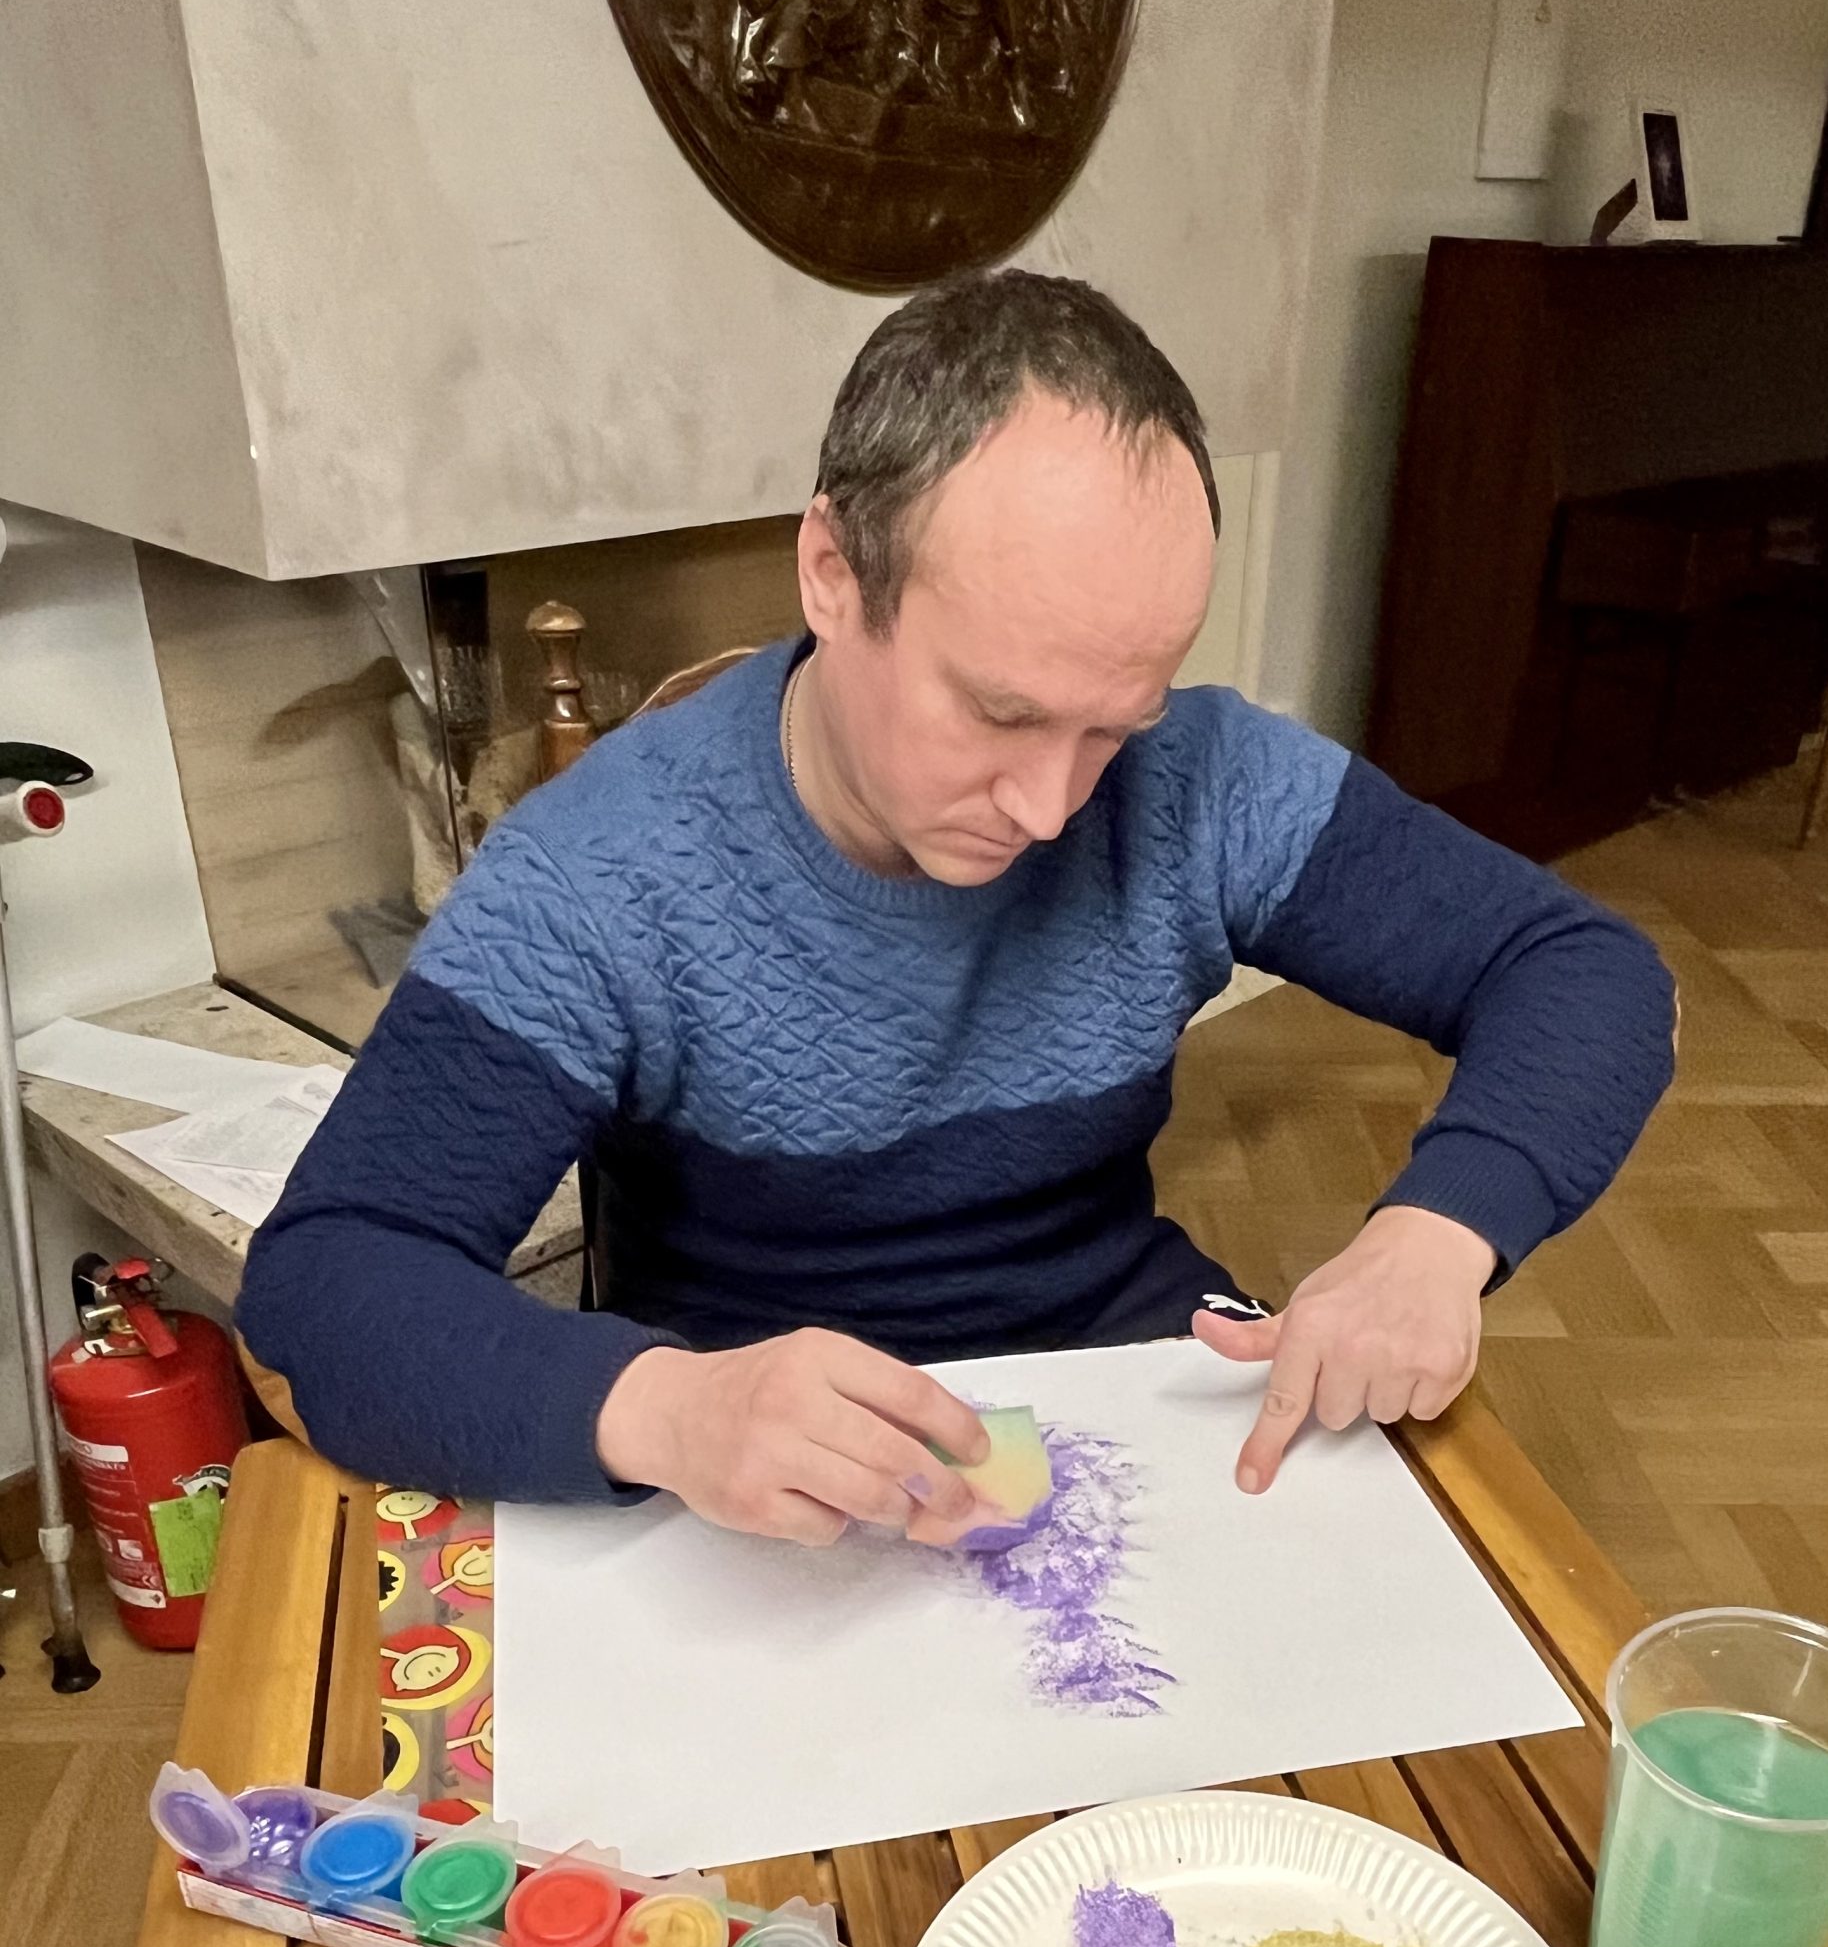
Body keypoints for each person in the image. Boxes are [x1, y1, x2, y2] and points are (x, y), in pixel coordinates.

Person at [239, 271, 1674, 1546]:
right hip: (763, 1474)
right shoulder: (596, 876)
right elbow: (328, 1283)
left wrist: (1439, 1232)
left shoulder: (1201, 781)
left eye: (1112, 725)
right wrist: (665, 1410)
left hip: (1128, 1389)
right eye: (999, 711)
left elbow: (1582, 970)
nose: (1051, 806)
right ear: (832, 573)